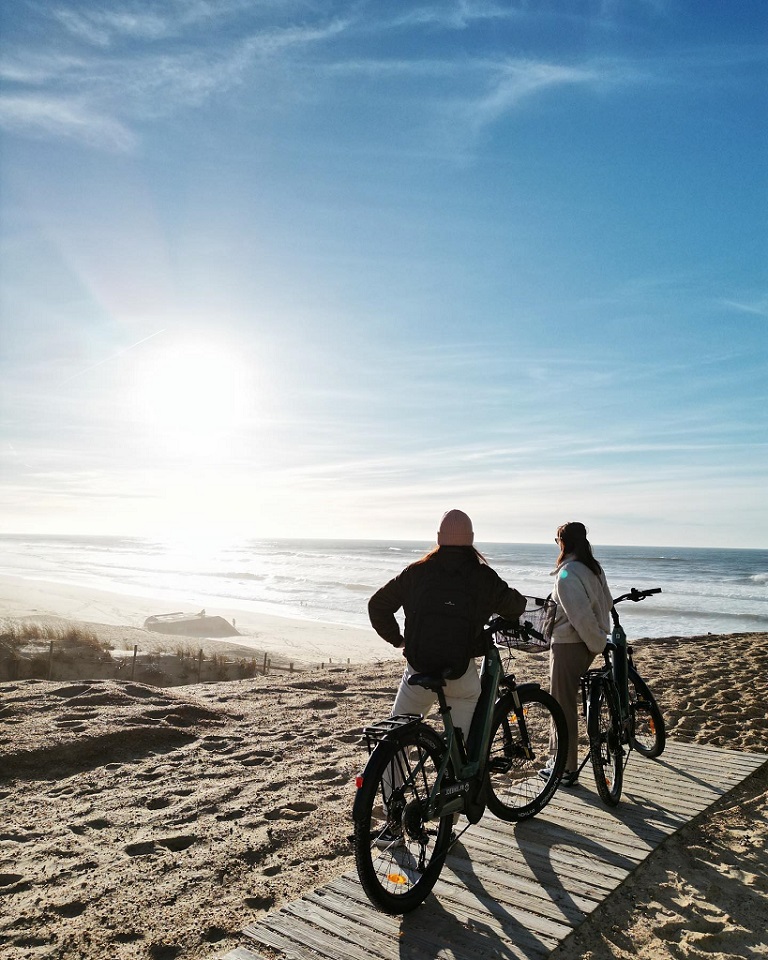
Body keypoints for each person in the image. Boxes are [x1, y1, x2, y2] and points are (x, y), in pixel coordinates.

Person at [368, 509, 526, 742]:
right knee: (461, 745)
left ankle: (388, 777)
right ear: (471, 540)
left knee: (397, 736)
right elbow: (515, 607)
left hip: (418, 669)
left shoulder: (417, 572)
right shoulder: (482, 576)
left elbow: (377, 605)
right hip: (460, 672)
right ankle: (457, 772)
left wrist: (398, 640)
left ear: (439, 537)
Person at [543, 521, 613, 786]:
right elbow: (604, 605)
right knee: (566, 704)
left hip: (569, 645)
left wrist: (595, 641)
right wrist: (600, 639)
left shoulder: (568, 574)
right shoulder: (592, 568)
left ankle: (564, 767)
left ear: (563, 542)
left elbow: (580, 616)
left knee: (562, 706)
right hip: (585, 644)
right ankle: (563, 763)